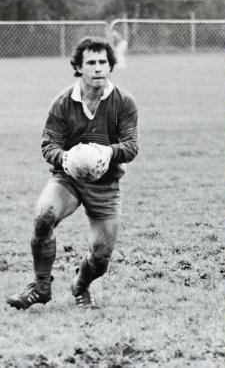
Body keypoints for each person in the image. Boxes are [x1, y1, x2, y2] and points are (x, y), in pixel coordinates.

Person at [6, 36, 139, 310]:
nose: (98, 68)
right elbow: (48, 144)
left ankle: (81, 284)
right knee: (43, 216)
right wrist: (66, 157)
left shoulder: (124, 102)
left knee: (101, 257)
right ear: (79, 67)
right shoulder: (62, 102)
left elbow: (131, 146)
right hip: (67, 179)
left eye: (103, 62)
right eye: (91, 62)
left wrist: (108, 153)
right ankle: (41, 286)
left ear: (111, 66)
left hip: (106, 186)